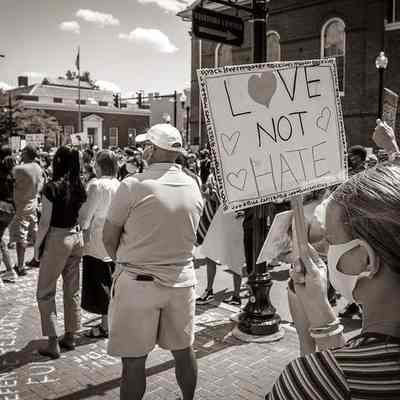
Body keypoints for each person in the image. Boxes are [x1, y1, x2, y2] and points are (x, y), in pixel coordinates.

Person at [266, 121, 400, 399]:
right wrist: (318, 309)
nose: (326, 250)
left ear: (366, 259)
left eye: (332, 240)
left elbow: (338, 378)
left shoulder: (311, 380)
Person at [103, 123, 203, 400]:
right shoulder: (193, 184)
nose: (141, 150)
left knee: (134, 362)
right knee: (184, 351)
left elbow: (109, 237)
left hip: (138, 282)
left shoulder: (132, 185)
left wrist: (124, 260)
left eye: (145, 145)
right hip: (181, 281)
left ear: (152, 149)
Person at [35, 146, 87, 359]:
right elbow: (82, 218)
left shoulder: (51, 187)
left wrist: (37, 246)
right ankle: (71, 335)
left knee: (45, 291)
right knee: (72, 289)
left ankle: (53, 341)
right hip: (76, 237)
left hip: (58, 238)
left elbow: (45, 221)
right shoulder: (79, 185)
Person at [79, 150, 120, 338]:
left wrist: (82, 226)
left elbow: (86, 216)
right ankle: (111, 321)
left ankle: (105, 325)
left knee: (100, 284)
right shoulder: (119, 184)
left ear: (99, 165)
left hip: (97, 240)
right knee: (112, 282)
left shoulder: (97, 185)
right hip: (116, 239)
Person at [9, 144, 43, 276]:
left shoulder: (19, 169)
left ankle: (21, 266)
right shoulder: (38, 168)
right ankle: (37, 258)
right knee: (34, 233)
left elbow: (10, 182)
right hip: (33, 203)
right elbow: (40, 185)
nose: (21, 154)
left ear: (27, 154)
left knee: (20, 237)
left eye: (23, 152)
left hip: (21, 206)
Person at [0, 146, 16, 283]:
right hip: (11, 210)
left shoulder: (2, 173)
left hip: (2, 209)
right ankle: (9, 269)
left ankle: (10, 270)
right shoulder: (14, 172)